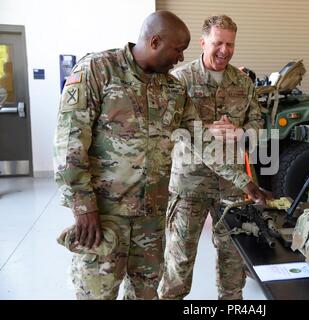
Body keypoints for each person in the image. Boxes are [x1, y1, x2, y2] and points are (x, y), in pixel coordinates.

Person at [53, 11, 265, 300]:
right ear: (154, 41)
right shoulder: (98, 70)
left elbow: (202, 141)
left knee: (146, 292)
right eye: (177, 50)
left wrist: (244, 182)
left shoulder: (173, 89)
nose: (180, 58)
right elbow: (69, 143)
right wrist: (83, 207)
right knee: (96, 293)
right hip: (105, 215)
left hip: (150, 220)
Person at [158, 15, 265, 300]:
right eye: (218, 43)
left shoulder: (243, 82)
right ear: (203, 42)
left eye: (230, 44)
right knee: (178, 264)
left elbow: (258, 127)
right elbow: (167, 130)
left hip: (232, 187)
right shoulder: (179, 79)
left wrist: (240, 132)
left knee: (233, 263)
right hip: (188, 186)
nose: (225, 50)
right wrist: (204, 131)